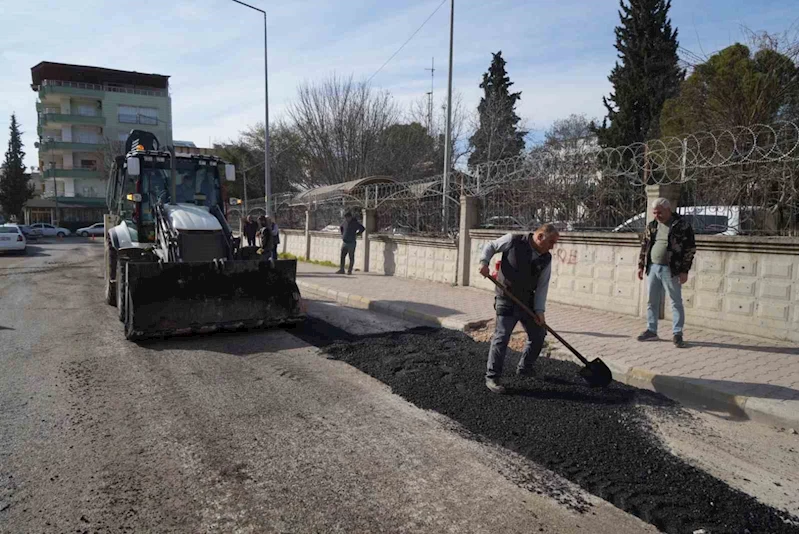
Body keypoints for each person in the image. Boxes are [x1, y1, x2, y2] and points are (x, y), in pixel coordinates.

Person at [477, 223, 560, 394]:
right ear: (540, 237)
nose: (553, 246)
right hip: (506, 297)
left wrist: (539, 311)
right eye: (551, 242)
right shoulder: (514, 240)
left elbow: (542, 286)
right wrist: (484, 262)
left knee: (538, 334)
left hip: (527, 301)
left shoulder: (546, 258)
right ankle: (492, 377)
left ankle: (525, 367)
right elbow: (491, 246)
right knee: (502, 336)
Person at [636, 197, 696, 348]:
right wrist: (641, 265)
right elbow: (645, 245)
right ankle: (651, 330)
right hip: (653, 267)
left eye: (660, 213)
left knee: (675, 301)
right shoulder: (653, 225)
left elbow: (690, 249)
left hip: (672, 269)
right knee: (651, 301)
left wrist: (684, 270)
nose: (657, 215)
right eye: (654, 213)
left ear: (668, 210)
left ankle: (677, 333)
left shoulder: (682, 225)